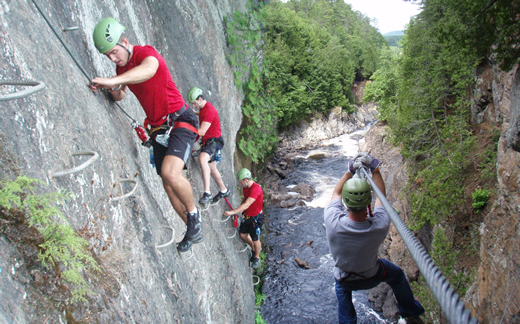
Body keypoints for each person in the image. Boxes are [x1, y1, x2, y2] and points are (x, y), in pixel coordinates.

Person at [89, 17, 201, 253]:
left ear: (125, 42)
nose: (113, 58)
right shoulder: (122, 69)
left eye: (114, 52)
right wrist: (108, 87)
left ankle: (194, 215)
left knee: (171, 173)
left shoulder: (145, 54)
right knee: (167, 183)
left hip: (180, 119)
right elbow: (120, 95)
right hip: (159, 128)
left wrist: (113, 80)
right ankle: (191, 230)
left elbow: (149, 70)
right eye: (108, 56)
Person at [324, 152, 425, 324]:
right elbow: (381, 197)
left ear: (347, 204)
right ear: (367, 202)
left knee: (342, 292)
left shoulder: (332, 221)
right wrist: (374, 167)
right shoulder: (379, 225)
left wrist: (350, 170)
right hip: (373, 275)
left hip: (345, 279)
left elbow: (336, 194)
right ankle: (410, 311)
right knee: (398, 275)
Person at [187, 87, 230, 206]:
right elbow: (201, 114)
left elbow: (201, 131)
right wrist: (192, 112)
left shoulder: (209, 110)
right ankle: (224, 190)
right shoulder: (204, 108)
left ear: (200, 99)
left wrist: (185, 127)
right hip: (211, 142)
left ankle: (207, 193)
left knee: (202, 158)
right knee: (212, 168)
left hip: (214, 142)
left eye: (195, 104)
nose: (194, 106)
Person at [223, 168, 263, 269]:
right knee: (243, 235)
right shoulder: (246, 187)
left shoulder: (256, 189)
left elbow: (247, 204)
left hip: (255, 218)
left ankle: (256, 257)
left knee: (256, 238)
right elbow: (245, 200)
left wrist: (233, 212)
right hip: (247, 215)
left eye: (240, 182)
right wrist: (238, 210)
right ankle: (253, 247)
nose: (240, 184)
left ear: (246, 180)